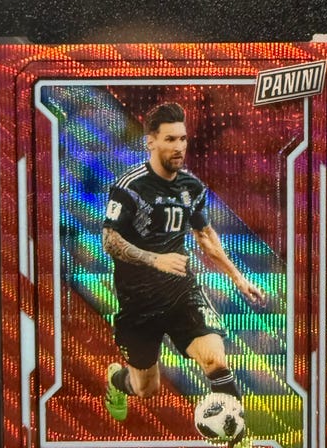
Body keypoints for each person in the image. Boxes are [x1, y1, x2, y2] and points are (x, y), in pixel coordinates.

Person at [102, 102, 266, 431]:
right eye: (170, 139)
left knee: (216, 361)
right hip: (138, 303)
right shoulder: (130, 186)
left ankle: (238, 437)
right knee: (146, 389)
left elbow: (205, 236)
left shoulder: (191, 187)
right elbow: (109, 240)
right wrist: (154, 259)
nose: (179, 147)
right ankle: (117, 380)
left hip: (182, 293)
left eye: (183, 139)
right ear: (151, 142)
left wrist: (238, 277)